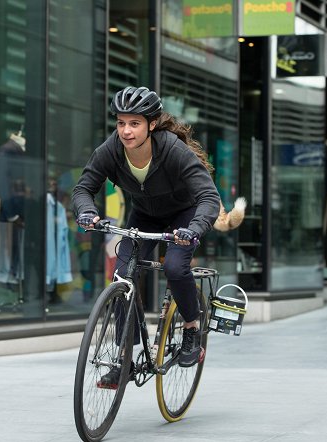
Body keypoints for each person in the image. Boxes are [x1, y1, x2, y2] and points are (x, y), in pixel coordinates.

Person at [72, 86, 221, 389]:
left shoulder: (172, 150)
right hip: (144, 215)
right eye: (121, 123)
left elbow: (208, 197)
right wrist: (87, 212)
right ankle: (125, 358)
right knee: (122, 277)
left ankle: (192, 328)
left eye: (134, 123)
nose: (126, 131)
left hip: (183, 216)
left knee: (174, 268)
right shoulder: (111, 150)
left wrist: (193, 229)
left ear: (152, 124)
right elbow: (83, 188)